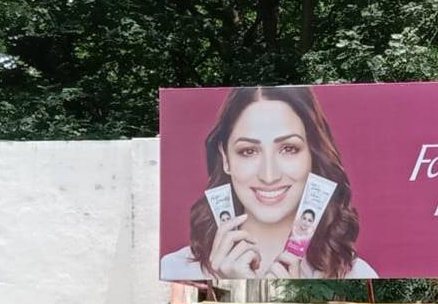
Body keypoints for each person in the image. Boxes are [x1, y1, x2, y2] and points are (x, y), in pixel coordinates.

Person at [160, 85, 378, 280]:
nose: (269, 175)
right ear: (226, 159)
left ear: (312, 155)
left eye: (288, 149)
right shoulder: (174, 270)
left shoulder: (356, 275)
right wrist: (231, 287)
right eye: (248, 151)